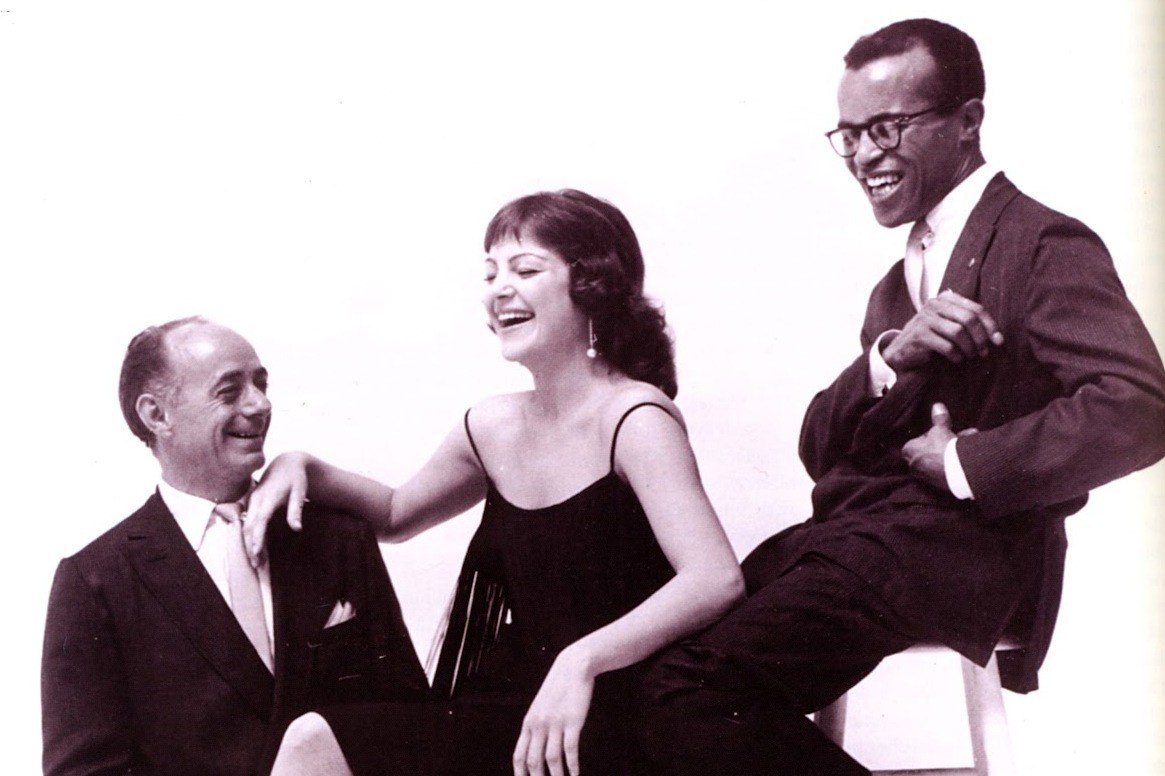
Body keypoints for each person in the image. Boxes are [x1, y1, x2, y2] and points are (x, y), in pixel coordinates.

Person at [637, 18, 1165, 776]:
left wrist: (964, 462)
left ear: (968, 121)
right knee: (652, 673)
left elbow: (1138, 407)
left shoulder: (1043, 243)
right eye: (849, 134)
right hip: (862, 542)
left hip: (964, 553)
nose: (862, 155)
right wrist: (888, 358)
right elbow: (821, 450)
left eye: (885, 127)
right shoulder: (899, 282)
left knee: (687, 689)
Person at [245, 189, 744, 776]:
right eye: (491, 273)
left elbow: (714, 578)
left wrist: (581, 661)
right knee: (314, 739)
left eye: (525, 270)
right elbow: (396, 514)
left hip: (626, 708)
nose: (499, 289)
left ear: (593, 287)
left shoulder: (635, 418)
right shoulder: (490, 425)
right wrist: (301, 464)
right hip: (513, 704)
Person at [41, 318, 428, 776]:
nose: (260, 404)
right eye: (229, 391)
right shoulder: (96, 580)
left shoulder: (339, 539)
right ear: (157, 416)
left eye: (260, 384)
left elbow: (414, 723)